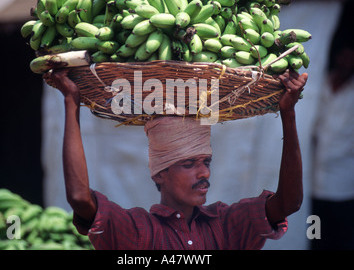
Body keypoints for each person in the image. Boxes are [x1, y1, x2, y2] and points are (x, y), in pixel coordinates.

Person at [44, 67, 307, 250]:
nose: (204, 173)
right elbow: (79, 198)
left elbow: (289, 203)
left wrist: (288, 113)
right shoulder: (136, 230)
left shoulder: (227, 224)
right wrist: (71, 102)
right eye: (189, 164)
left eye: (206, 162)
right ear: (159, 173)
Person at [310, 42, 354, 250]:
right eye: (343, 56)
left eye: (350, 57)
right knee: (316, 236)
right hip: (313, 181)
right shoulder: (321, 82)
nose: (346, 62)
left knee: (341, 239)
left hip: (344, 183)